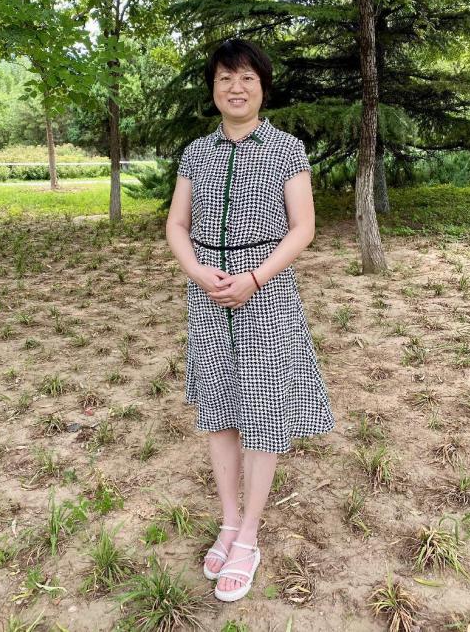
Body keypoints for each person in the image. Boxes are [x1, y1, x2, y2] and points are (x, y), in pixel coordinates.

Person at [166, 38, 335, 602]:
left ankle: (250, 536)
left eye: (246, 79)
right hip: (208, 295)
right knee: (218, 409)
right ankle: (228, 520)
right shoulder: (196, 153)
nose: (235, 88)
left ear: (262, 87)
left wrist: (255, 278)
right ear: (213, 89)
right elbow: (177, 225)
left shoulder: (287, 149)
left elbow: (303, 227)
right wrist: (198, 273)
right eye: (224, 78)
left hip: (266, 293)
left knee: (262, 410)